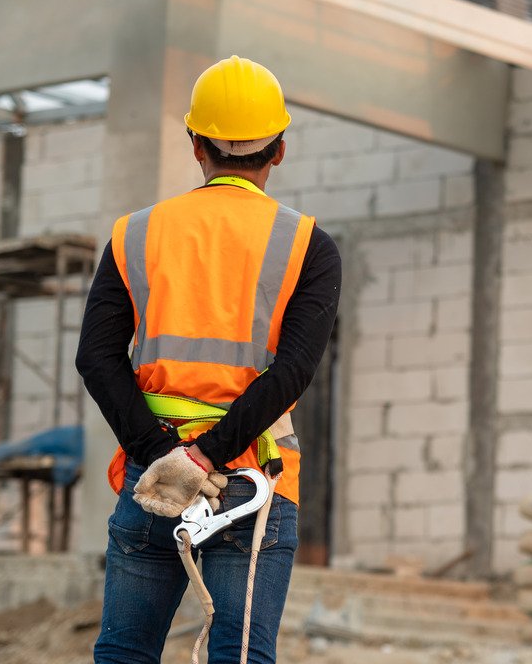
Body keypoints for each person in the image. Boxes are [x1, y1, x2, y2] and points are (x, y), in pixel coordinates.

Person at [76, 56, 341, 664]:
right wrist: (208, 456)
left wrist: (162, 455)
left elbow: (96, 358)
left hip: (156, 482)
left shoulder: (135, 234)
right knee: (240, 655)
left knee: (124, 655)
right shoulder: (309, 246)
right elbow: (292, 371)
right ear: (279, 149)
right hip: (254, 483)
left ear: (196, 144)